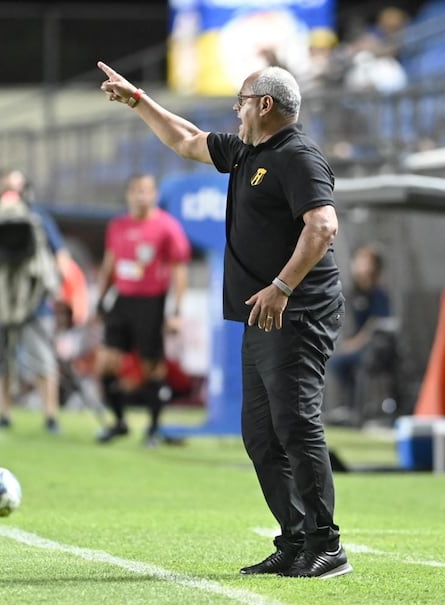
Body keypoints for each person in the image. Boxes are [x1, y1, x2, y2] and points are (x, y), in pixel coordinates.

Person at [97, 62, 351, 577]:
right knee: (260, 434)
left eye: (240, 99)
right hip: (265, 316)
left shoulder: (297, 155)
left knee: (297, 425)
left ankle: (327, 545)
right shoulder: (248, 152)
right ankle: (296, 538)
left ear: (264, 105)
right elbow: (187, 139)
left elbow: (324, 224)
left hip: (297, 311)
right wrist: (139, 101)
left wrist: (282, 287)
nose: (234, 109)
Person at [93, 173, 190, 447]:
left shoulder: (167, 227)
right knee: (105, 365)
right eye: (135, 191)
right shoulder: (117, 225)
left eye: (146, 191)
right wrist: (100, 298)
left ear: (154, 194)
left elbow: (179, 271)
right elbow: (110, 263)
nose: (140, 196)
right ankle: (120, 422)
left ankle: (154, 429)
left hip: (151, 302)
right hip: (122, 300)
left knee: (152, 368)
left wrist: (176, 312)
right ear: (128, 195)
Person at [0, 168, 66, 432]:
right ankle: (3, 413)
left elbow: (60, 254)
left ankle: (51, 417)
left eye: (16, 186)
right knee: (0, 359)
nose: (10, 192)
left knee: (43, 359)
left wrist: (60, 289)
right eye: (5, 186)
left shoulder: (38, 218)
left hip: (34, 300)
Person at [328, 243, 392, 423]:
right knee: (337, 362)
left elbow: (375, 325)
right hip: (351, 346)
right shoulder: (350, 292)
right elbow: (340, 317)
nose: (360, 265)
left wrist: (355, 344)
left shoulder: (379, 294)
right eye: (358, 261)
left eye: (365, 261)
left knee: (366, 363)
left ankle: (362, 413)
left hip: (375, 347)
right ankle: (346, 408)